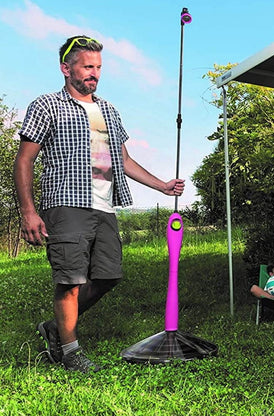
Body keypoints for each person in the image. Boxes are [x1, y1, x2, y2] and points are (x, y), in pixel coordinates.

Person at [14, 36, 185, 373]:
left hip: (105, 206)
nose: (94, 74)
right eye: (87, 66)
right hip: (66, 203)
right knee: (70, 280)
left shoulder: (107, 109)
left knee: (108, 276)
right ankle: (70, 351)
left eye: (98, 68)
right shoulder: (47, 105)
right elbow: (24, 161)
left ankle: (55, 328)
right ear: (66, 68)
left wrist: (161, 185)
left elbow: (123, 159)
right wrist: (29, 211)